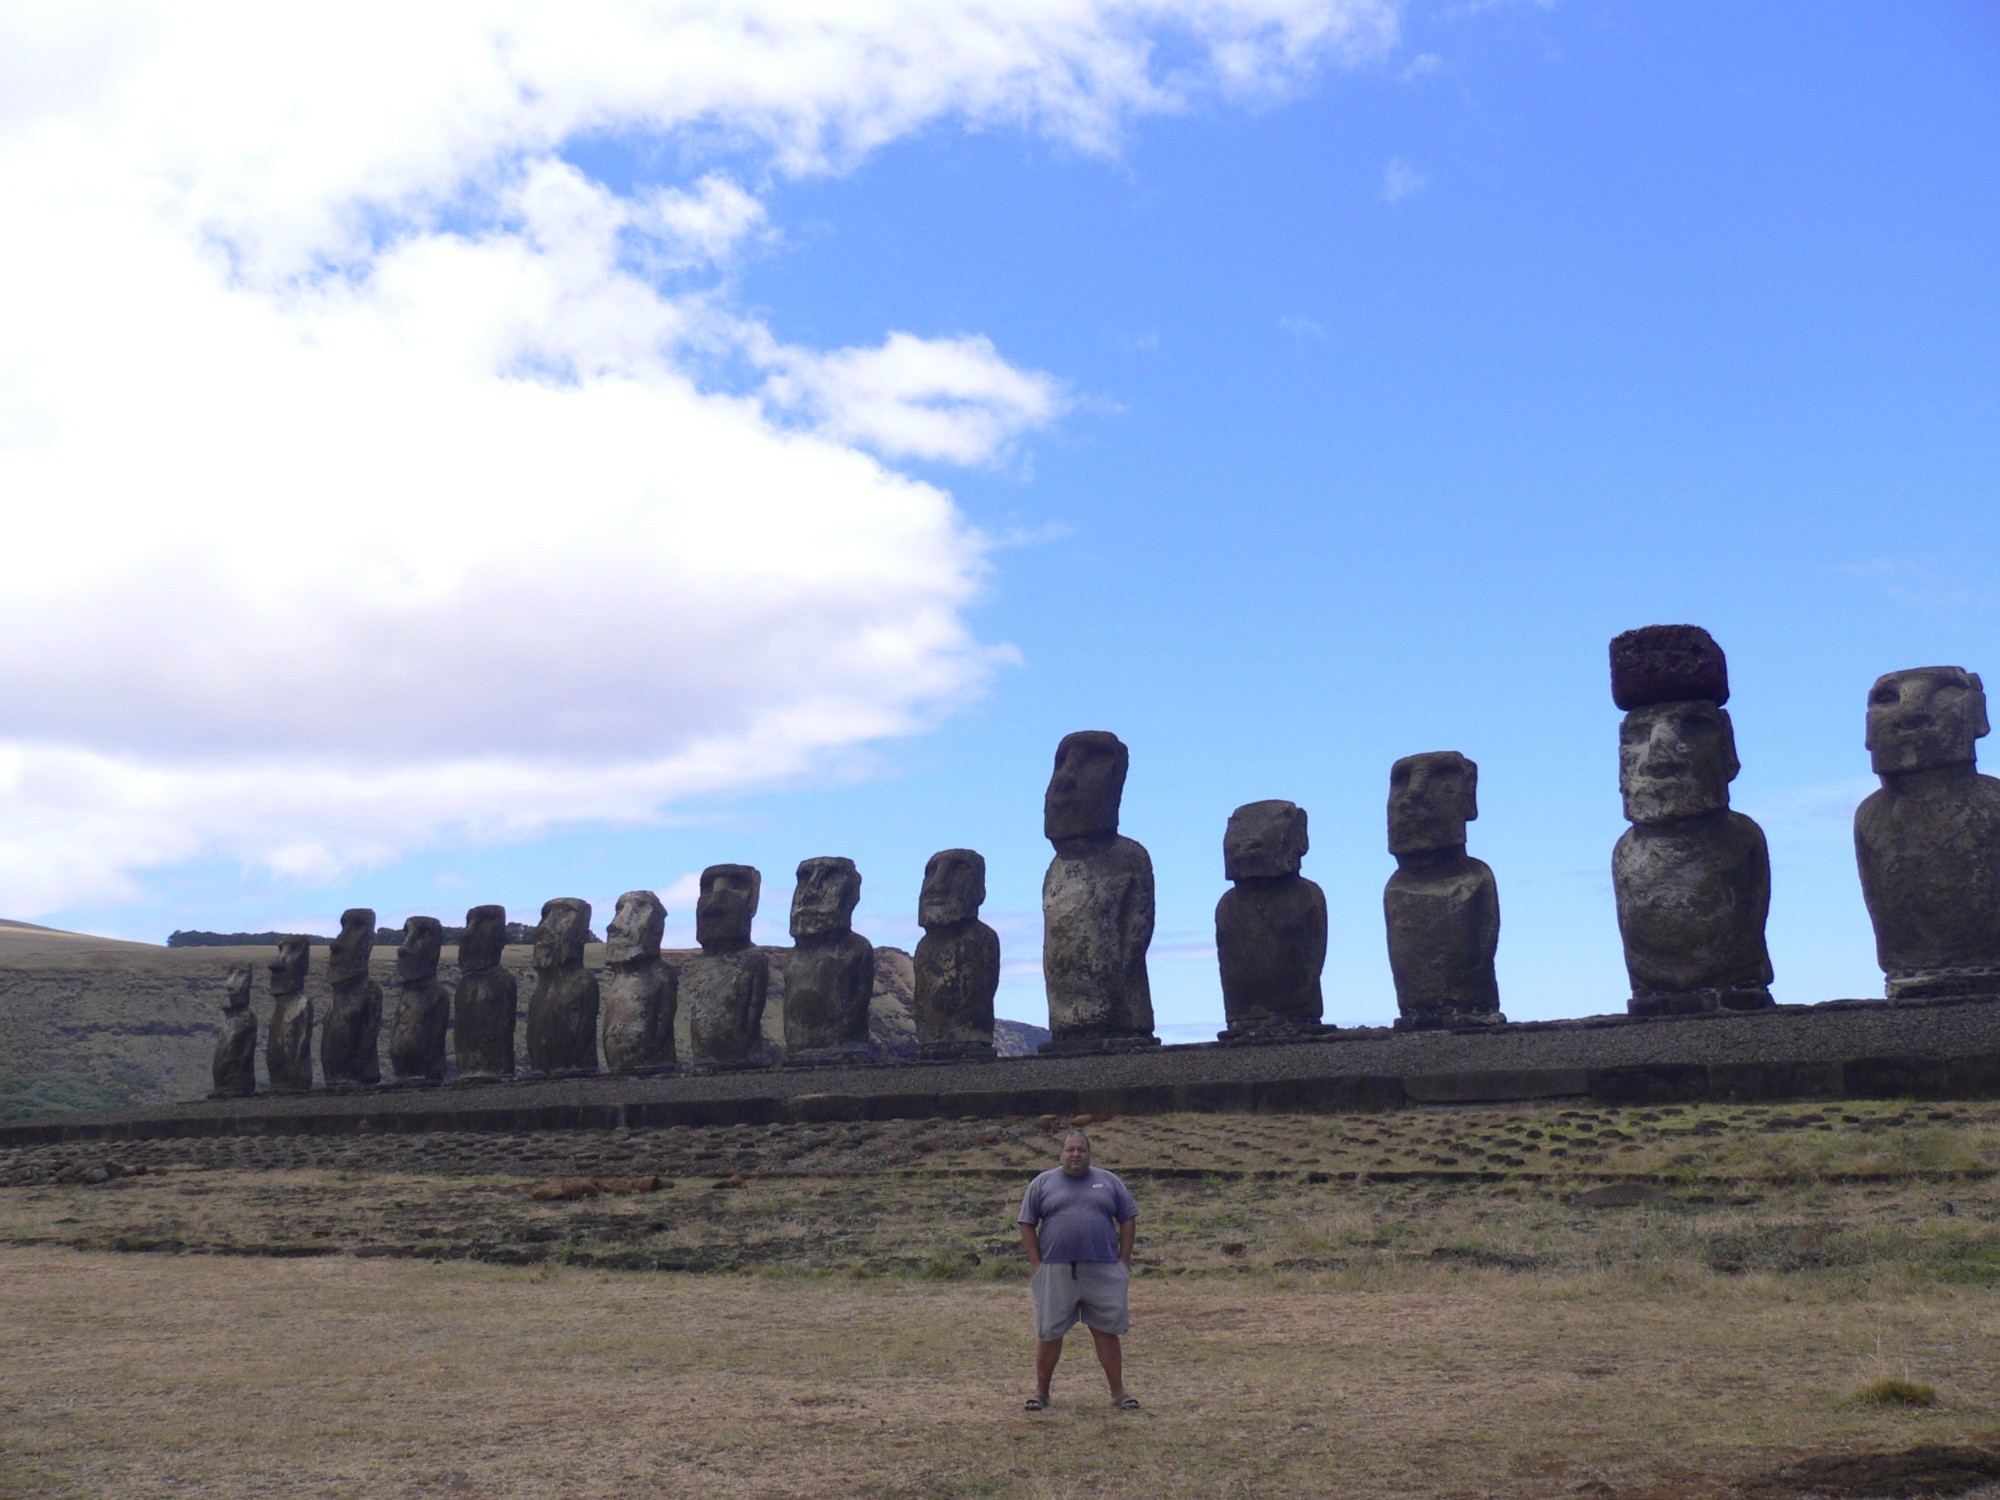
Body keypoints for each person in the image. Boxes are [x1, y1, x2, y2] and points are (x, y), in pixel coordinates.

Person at [1018, 1129, 1140, 1411]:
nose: (1075, 1154)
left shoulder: (1108, 1181)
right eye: (1070, 1149)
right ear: (1061, 1153)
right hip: (1056, 1269)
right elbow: (1026, 1223)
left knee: (1106, 1330)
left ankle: (1119, 1394)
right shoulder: (1042, 1183)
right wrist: (1036, 1265)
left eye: (1081, 1150)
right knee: (1049, 1333)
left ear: (1089, 1154)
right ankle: (1041, 1394)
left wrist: (1124, 1260)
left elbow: (1128, 1218)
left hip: (1103, 1269)